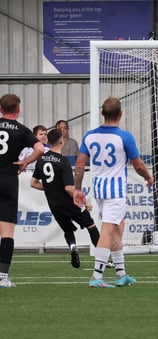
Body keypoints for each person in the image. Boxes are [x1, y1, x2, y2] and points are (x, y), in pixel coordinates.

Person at [73, 96, 154, 288]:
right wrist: (148, 177)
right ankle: (96, 276)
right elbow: (138, 164)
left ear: (102, 113)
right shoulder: (124, 136)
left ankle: (121, 273)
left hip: (99, 189)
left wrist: (77, 188)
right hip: (115, 191)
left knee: (118, 228)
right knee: (108, 231)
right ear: (120, 113)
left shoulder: (90, 136)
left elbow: (79, 164)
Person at [31, 129, 102, 269]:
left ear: (49, 142)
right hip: (70, 202)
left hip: (54, 204)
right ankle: (103, 259)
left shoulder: (41, 160)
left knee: (68, 230)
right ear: (61, 141)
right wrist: (85, 202)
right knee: (91, 225)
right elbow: (69, 188)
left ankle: (73, 247)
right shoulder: (63, 161)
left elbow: (33, 183)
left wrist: (52, 188)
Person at [0, 93, 46, 288]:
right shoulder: (21, 129)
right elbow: (41, 149)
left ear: (0, 109)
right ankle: (2, 277)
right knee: (7, 231)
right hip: (8, 180)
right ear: (18, 110)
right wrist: (25, 162)